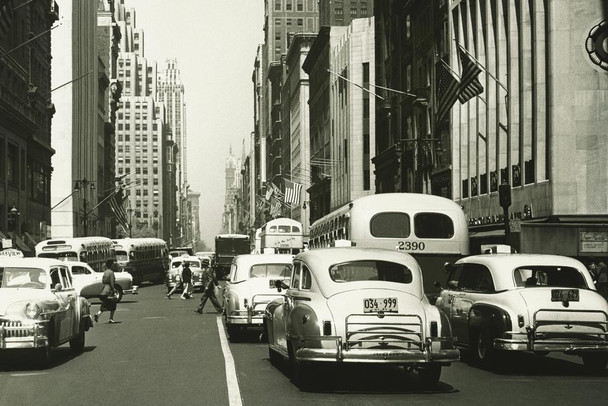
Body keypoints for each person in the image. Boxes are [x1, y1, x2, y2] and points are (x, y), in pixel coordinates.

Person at [94, 259, 119, 324]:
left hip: (104, 290)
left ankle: (98, 314)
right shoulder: (111, 272)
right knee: (113, 304)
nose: (114, 266)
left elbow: (103, 280)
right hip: (109, 291)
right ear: (110, 265)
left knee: (105, 304)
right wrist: (114, 290)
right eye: (113, 264)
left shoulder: (105, 272)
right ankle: (111, 318)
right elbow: (112, 282)